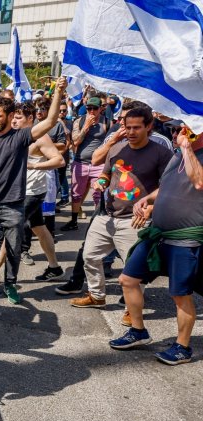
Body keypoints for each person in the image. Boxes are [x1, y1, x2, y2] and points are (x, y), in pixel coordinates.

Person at [0, 77, 67, 305]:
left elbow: (50, 120)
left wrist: (58, 91)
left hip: (13, 205)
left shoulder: (20, 138)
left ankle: (10, 284)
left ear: (10, 117)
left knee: (13, 248)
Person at [109, 127, 203, 363]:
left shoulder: (187, 151)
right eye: (177, 128)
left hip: (186, 238)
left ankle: (182, 347)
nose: (179, 131)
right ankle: (138, 331)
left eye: (187, 127)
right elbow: (168, 186)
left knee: (180, 294)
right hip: (158, 234)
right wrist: (148, 199)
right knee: (128, 279)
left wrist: (186, 146)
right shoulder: (179, 154)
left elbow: (199, 181)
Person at [69, 106, 172, 309]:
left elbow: (168, 187)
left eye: (136, 128)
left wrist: (150, 208)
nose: (131, 132)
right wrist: (101, 182)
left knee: (133, 267)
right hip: (106, 214)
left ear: (149, 126)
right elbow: (106, 173)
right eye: (128, 127)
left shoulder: (161, 153)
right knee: (89, 256)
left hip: (135, 219)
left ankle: (132, 309)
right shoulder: (116, 148)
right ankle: (97, 295)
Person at [63, 95, 109, 231]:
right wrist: (86, 127)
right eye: (89, 108)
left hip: (99, 165)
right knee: (76, 193)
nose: (92, 111)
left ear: (101, 109)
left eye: (95, 108)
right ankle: (73, 221)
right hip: (80, 163)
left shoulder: (107, 122)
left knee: (98, 193)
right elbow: (75, 141)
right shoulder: (80, 121)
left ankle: (96, 224)